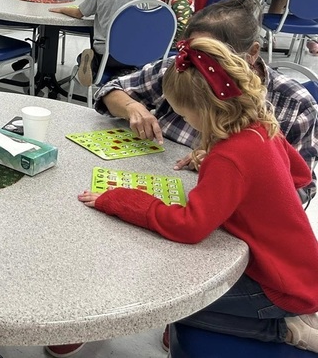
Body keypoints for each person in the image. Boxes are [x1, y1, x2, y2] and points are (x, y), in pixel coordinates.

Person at [79, 36, 318, 354]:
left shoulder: (229, 156)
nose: (186, 122)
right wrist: (238, 180)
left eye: (185, 116)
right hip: (301, 268)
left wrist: (124, 200)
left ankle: (285, 329)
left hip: (276, 287)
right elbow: (300, 174)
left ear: (205, 111)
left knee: (175, 306)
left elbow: (189, 227)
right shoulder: (260, 126)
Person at [92, 0, 318, 205]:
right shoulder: (181, 68)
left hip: (224, 211)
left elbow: (300, 190)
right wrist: (132, 107)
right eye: (193, 51)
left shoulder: (294, 104)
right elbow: (109, 90)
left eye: (212, 58)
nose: (198, 67)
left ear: (252, 53)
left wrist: (226, 166)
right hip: (158, 179)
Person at [50, 0, 146, 87]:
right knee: (125, 61)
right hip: (134, 52)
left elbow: (79, 13)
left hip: (107, 54)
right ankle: (123, 73)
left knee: (84, 56)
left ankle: (91, 64)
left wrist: (61, 9)